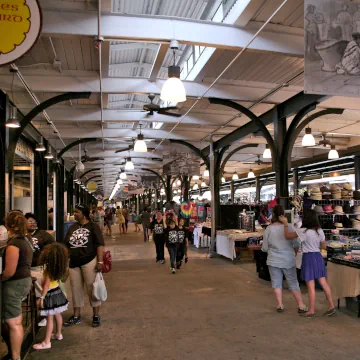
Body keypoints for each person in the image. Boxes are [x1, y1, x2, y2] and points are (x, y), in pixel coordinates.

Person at [280, 210, 336, 318]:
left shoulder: (303, 231)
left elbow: (288, 236)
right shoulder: (319, 230)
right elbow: (324, 246)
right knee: (324, 283)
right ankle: (331, 305)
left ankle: (311, 311)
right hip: (318, 256)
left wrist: (286, 224)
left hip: (309, 257)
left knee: (311, 285)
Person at [64, 204, 104, 328]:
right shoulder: (72, 227)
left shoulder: (93, 227)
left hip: (89, 261)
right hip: (74, 263)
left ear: (84, 214)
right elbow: (66, 244)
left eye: (76, 212)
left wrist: (100, 262)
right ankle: (76, 316)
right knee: (75, 289)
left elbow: (100, 244)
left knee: (92, 289)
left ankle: (96, 315)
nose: (74, 214)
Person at [261, 205, 307, 314]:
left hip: (273, 260)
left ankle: (280, 304)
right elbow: (296, 244)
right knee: (293, 282)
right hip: (288, 259)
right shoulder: (290, 226)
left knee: (276, 283)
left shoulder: (269, 228)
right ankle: (300, 305)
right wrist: (293, 254)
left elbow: (265, 247)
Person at [1, 211, 33, 360]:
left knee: (14, 323)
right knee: (13, 321)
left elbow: (9, 271)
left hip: (15, 284)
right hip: (25, 281)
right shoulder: (27, 240)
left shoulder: (14, 245)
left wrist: (1, 278)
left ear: (9, 225)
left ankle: (16, 357)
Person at [33, 243, 69, 350]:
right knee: (57, 314)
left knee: (49, 319)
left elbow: (46, 286)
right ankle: (58, 334)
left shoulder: (48, 269)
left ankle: (46, 341)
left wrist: (42, 298)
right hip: (57, 292)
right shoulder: (58, 267)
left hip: (49, 294)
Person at [25, 213, 55, 297]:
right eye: (30, 221)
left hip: (39, 268)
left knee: (40, 293)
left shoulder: (43, 234)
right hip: (24, 269)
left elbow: (54, 249)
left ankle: (40, 307)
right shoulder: (21, 235)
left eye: (35, 222)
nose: (33, 223)